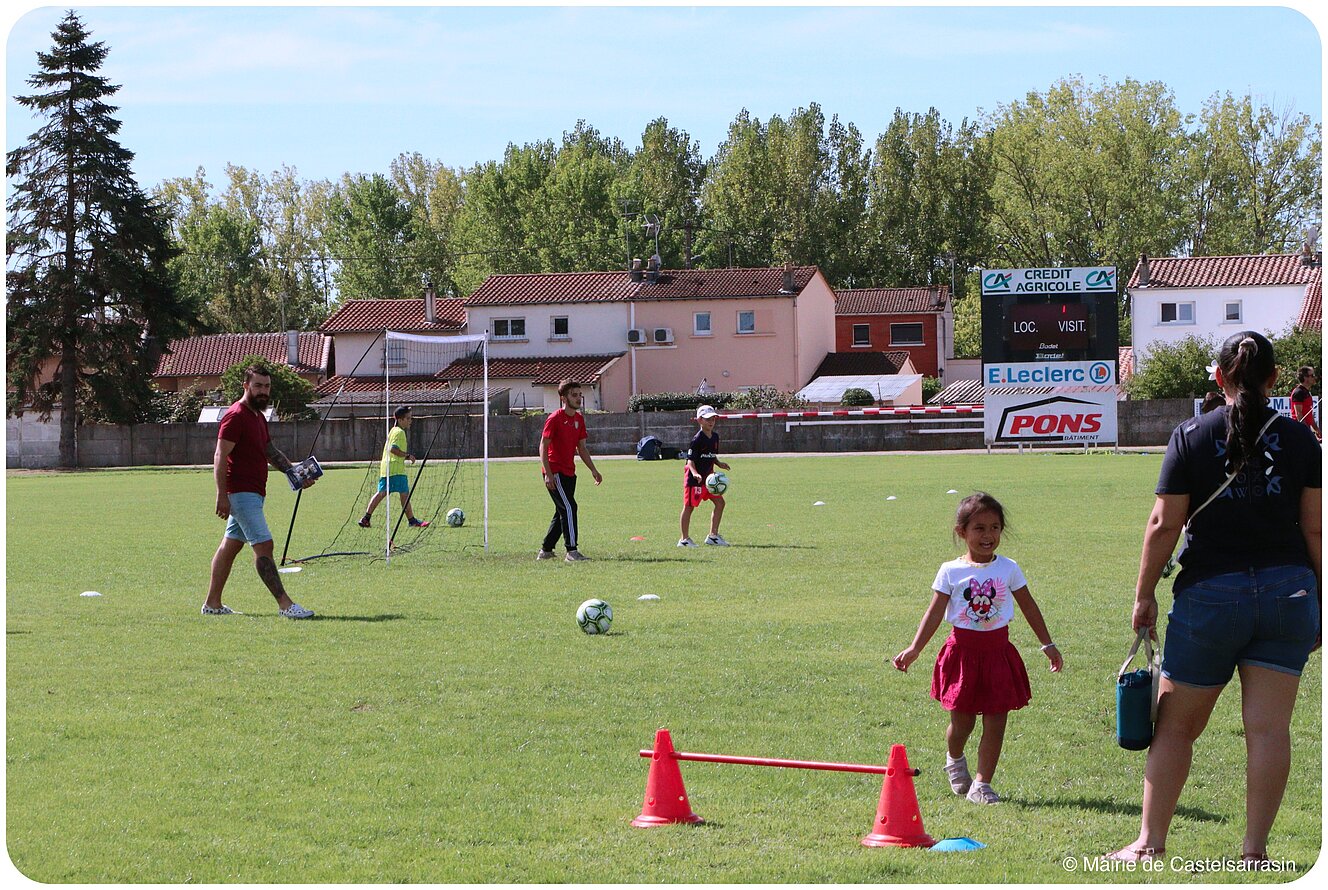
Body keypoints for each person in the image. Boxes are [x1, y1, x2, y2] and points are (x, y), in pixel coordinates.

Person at [1109, 331, 1321, 863]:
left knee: (1176, 727)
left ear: (1219, 378)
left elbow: (1162, 524)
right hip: (1288, 593)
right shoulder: (1302, 441)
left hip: (1209, 598)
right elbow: (1317, 530)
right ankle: (1254, 853)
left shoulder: (1190, 435)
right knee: (1270, 730)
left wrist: (1143, 596)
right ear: (1275, 381)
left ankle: (1149, 844)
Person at [892, 492, 1062, 804]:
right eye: (979, 528)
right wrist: (915, 648)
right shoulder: (950, 571)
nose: (988, 535)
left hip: (998, 654)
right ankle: (955, 759)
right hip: (962, 656)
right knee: (963, 723)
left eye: (995, 527)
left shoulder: (1009, 568)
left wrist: (1047, 643)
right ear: (962, 532)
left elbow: (1029, 606)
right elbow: (933, 613)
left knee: (997, 720)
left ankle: (982, 785)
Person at [203, 362, 316, 619]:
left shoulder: (257, 417)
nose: (263, 391)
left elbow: (270, 452)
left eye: (266, 386)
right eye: (257, 386)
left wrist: (297, 474)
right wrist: (221, 494)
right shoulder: (235, 416)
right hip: (240, 493)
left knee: (230, 547)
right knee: (264, 545)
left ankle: (212, 604)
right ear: (246, 386)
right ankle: (286, 605)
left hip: (254, 493)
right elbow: (220, 455)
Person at [537, 380, 602, 562]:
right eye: (574, 395)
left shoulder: (579, 420)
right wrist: (548, 474)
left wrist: (593, 470)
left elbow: (581, 448)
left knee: (562, 510)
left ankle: (546, 550)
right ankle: (572, 552)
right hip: (554, 471)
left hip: (569, 473)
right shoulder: (554, 418)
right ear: (563, 398)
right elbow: (543, 446)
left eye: (579, 394)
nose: (578, 398)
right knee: (569, 507)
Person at [358, 405, 429, 529]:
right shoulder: (399, 432)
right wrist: (408, 456)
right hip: (396, 469)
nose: (410, 421)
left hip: (386, 468)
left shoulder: (393, 430)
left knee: (381, 493)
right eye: (408, 418)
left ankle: (366, 518)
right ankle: (412, 521)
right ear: (400, 420)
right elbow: (393, 449)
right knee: (404, 494)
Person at [678, 404, 731, 547]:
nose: (711, 422)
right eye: (707, 419)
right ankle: (684, 539)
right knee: (689, 507)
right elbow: (690, 460)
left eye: (713, 418)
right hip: (694, 480)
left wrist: (719, 464)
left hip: (709, 480)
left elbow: (710, 455)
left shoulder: (715, 437)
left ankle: (713, 536)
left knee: (720, 503)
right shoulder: (697, 439)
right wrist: (695, 474)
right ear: (699, 420)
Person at [1289, 366, 1320, 441]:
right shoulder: (1298, 392)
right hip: (1298, 431)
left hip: (1304, 429)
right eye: (1312, 375)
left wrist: (1316, 429)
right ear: (1305, 378)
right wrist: (1307, 433)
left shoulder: (1306, 392)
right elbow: (1299, 415)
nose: (1314, 377)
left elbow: (1309, 414)